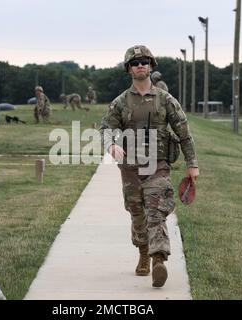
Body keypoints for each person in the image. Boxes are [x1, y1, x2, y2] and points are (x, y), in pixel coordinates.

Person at [100, 45, 199, 288]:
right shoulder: (120, 102)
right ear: (129, 69)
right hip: (130, 169)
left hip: (158, 166)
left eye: (144, 61)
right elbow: (105, 129)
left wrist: (192, 164)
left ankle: (158, 259)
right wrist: (111, 145)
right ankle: (143, 252)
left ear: (151, 65)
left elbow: (184, 134)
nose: (140, 65)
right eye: (135, 63)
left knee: (156, 212)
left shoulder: (166, 100)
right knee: (138, 214)